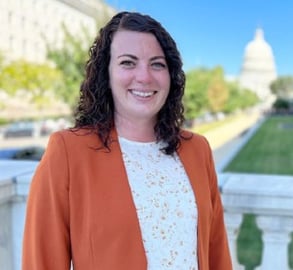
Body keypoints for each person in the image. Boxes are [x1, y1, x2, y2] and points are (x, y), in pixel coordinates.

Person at [22, 11, 232, 270]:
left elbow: (217, 250)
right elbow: (42, 262)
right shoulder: (68, 152)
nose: (144, 77)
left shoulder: (196, 149)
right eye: (128, 63)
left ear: (171, 76)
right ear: (106, 74)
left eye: (157, 64)